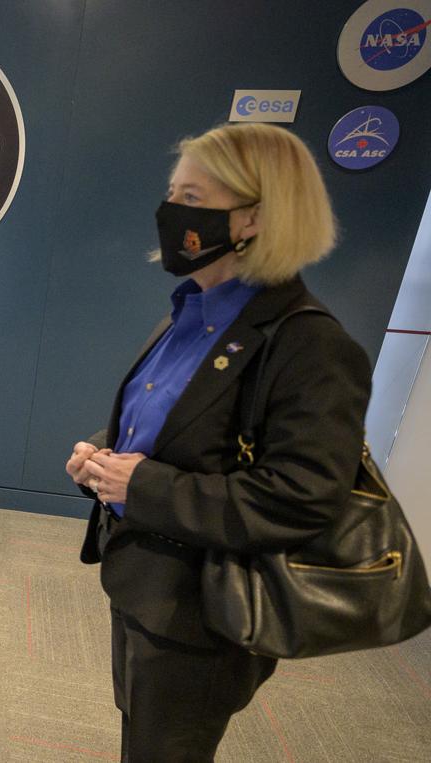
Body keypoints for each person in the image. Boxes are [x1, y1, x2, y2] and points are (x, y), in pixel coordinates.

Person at [64, 122, 370, 762]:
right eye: (175, 193)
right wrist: (104, 452)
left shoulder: (310, 345)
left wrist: (141, 485)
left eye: (194, 200)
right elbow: (173, 425)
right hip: (143, 582)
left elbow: (303, 499)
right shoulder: (190, 312)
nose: (172, 213)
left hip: (206, 614)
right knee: (141, 736)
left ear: (254, 218)